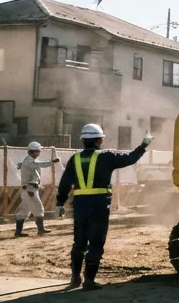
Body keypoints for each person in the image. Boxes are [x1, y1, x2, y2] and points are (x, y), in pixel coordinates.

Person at [56, 123, 152, 291]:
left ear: (83, 140)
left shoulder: (75, 159)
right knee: (96, 242)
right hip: (99, 204)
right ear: (99, 141)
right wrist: (144, 145)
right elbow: (130, 158)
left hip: (80, 205)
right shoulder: (106, 157)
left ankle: (75, 278)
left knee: (79, 242)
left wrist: (59, 203)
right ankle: (89, 281)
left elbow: (65, 183)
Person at [15, 142, 59, 237]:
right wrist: (51, 162)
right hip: (30, 189)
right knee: (39, 208)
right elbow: (41, 165)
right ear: (32, 152)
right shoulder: (30, 161)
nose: (38, 153)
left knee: (23, 211)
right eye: (37, 151)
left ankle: (18, 232)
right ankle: (40, 229)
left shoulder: (30, 161)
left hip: (28, 189)